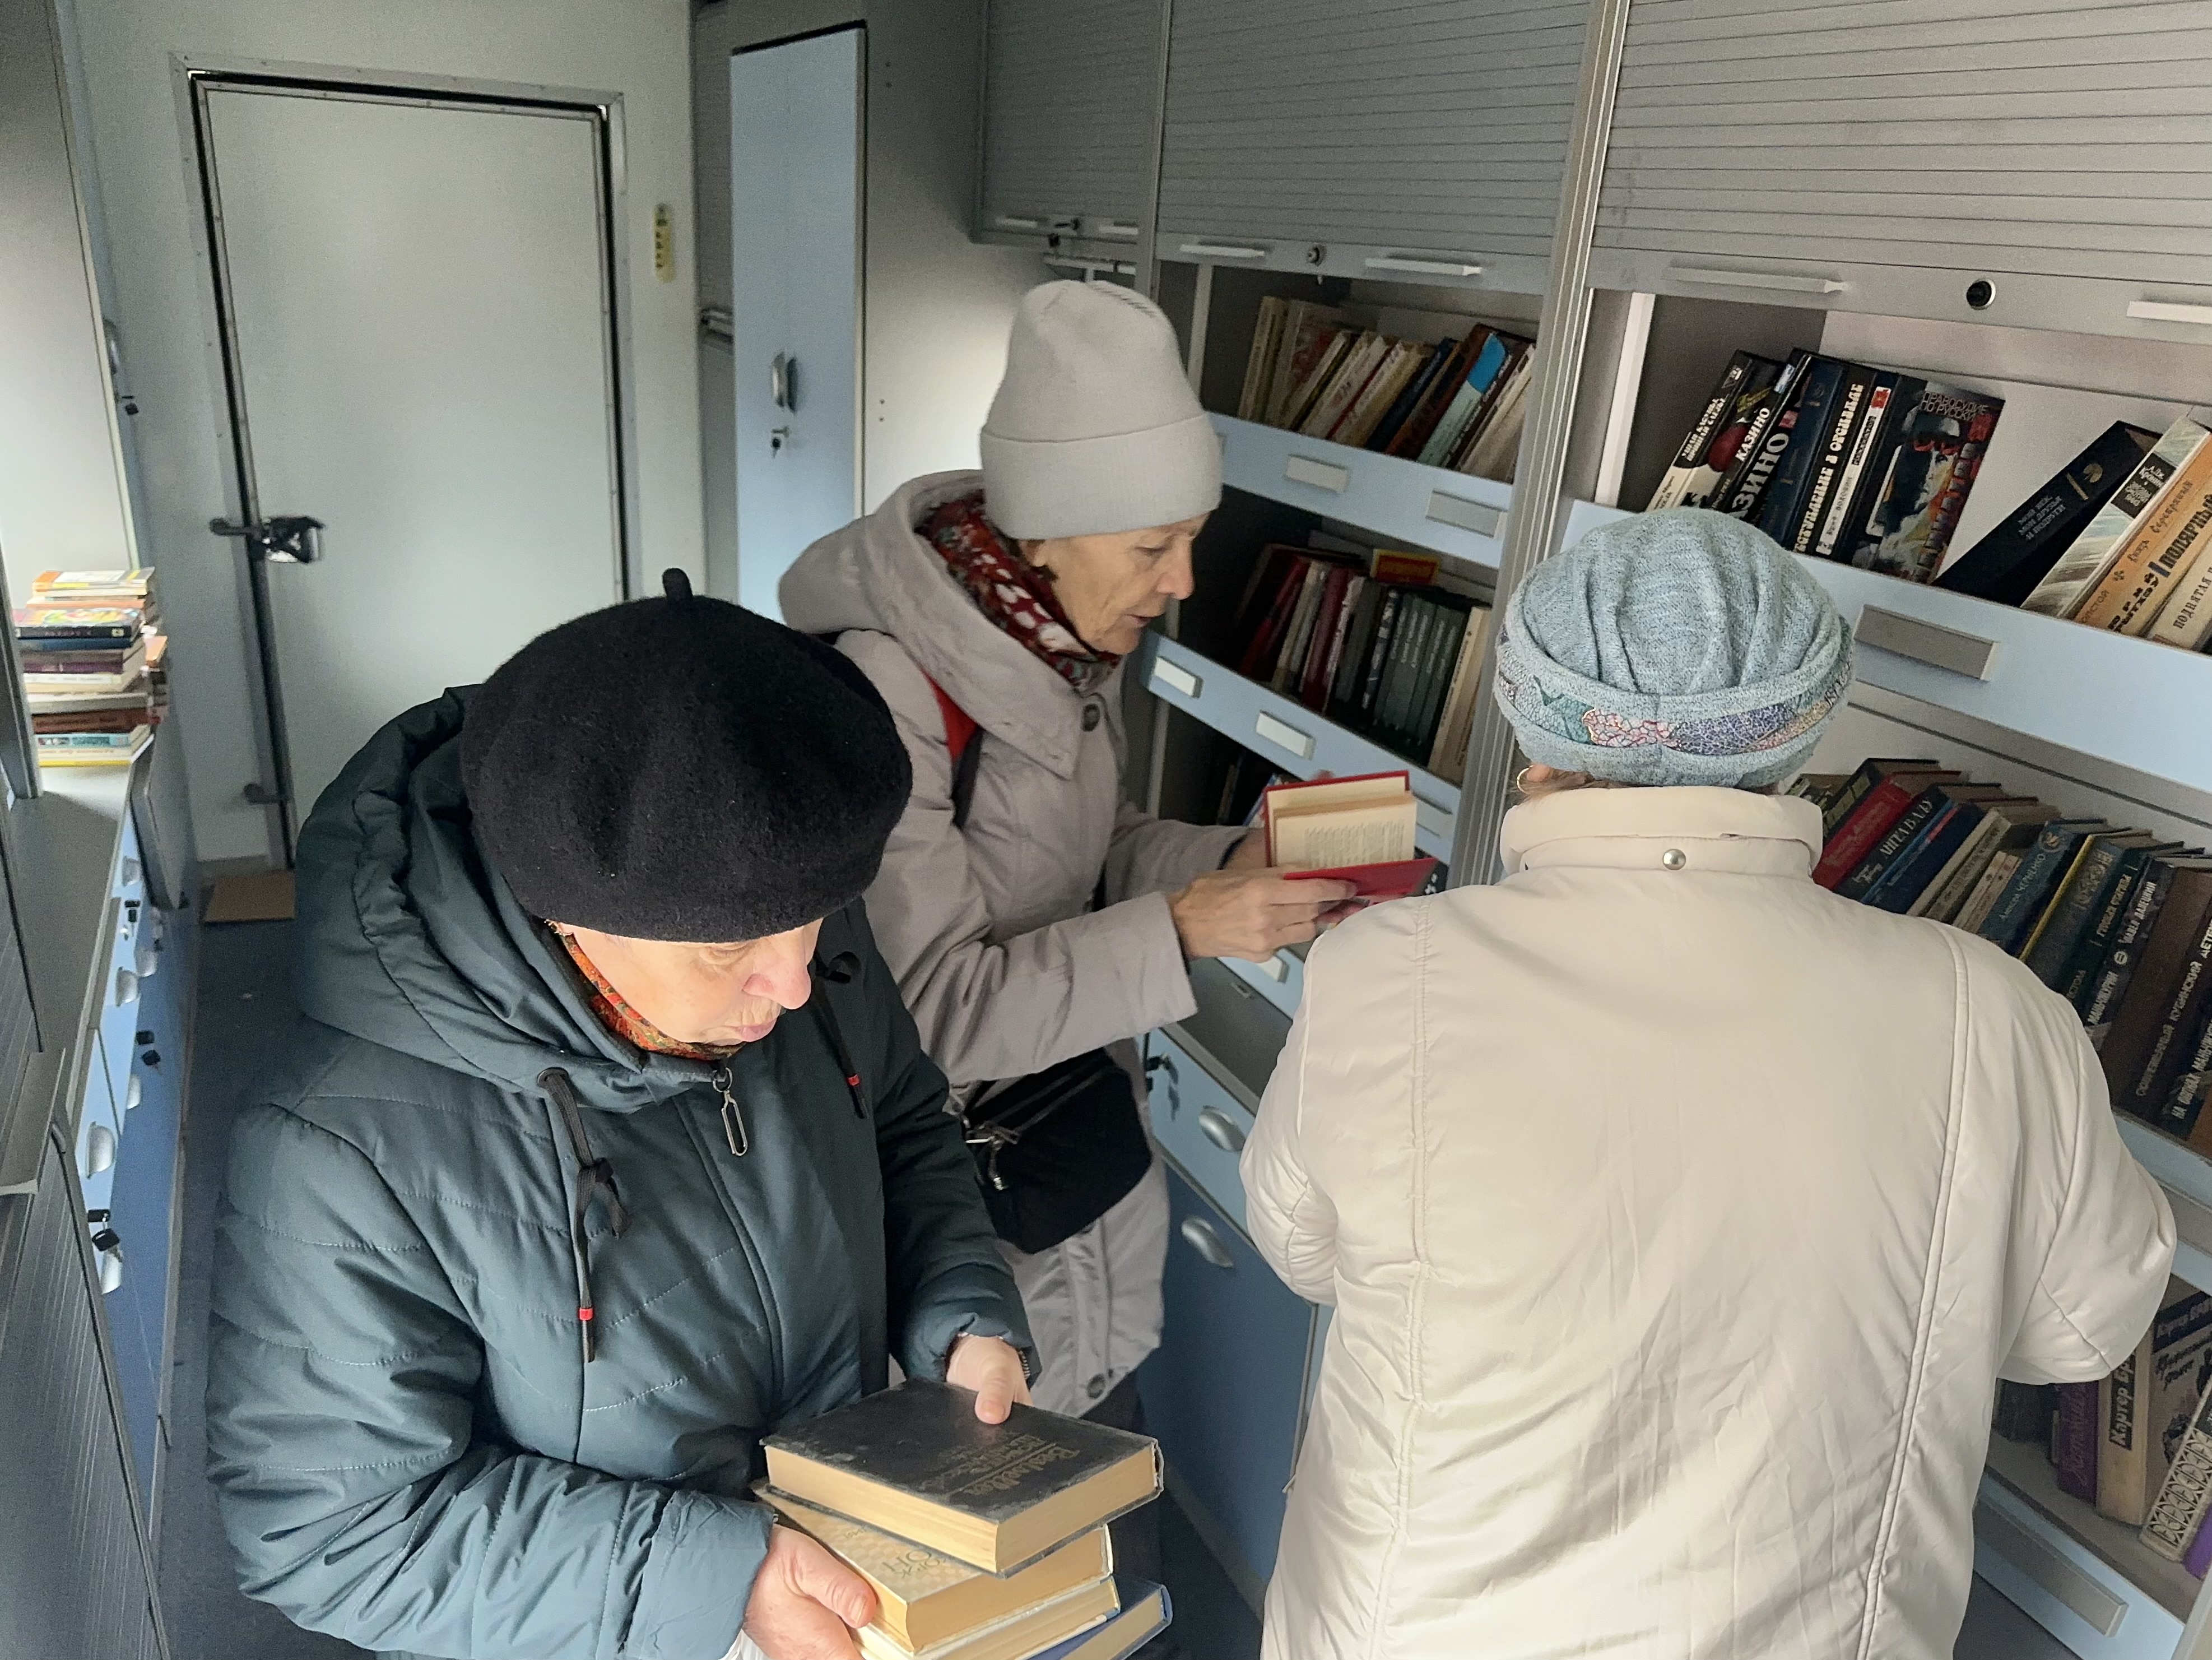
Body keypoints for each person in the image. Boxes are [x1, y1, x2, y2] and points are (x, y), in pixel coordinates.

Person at [1241, 508, 2177, 1660]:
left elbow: (1303, 1247)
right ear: (1796, 737)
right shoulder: (1994, 1008)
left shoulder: (1384, 971)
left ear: (1538, 744)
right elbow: (2083, 1327)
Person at [205, 577, 1033, 1660]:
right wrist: (727, 1581)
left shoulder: (777, 912)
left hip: (853, 1568)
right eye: (731, 950)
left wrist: (962, 1313)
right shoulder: (333, 1152)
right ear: (568, 919)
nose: (794, 985)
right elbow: (337, 1535)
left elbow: (906, 1120)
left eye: (816, 922)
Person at [779, 281, 1353, 1575]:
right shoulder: (892, 686)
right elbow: (929, 1014)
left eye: (1190, 540)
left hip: (1074, 1167)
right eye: (1154, 546)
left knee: (1103, 1530)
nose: (1182, 582)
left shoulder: (1056, 642)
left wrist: (1223, 862)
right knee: (993, 1564)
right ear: (1046, 531)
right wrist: (1184, 930)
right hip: (956, 1221)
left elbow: (1090, 853)